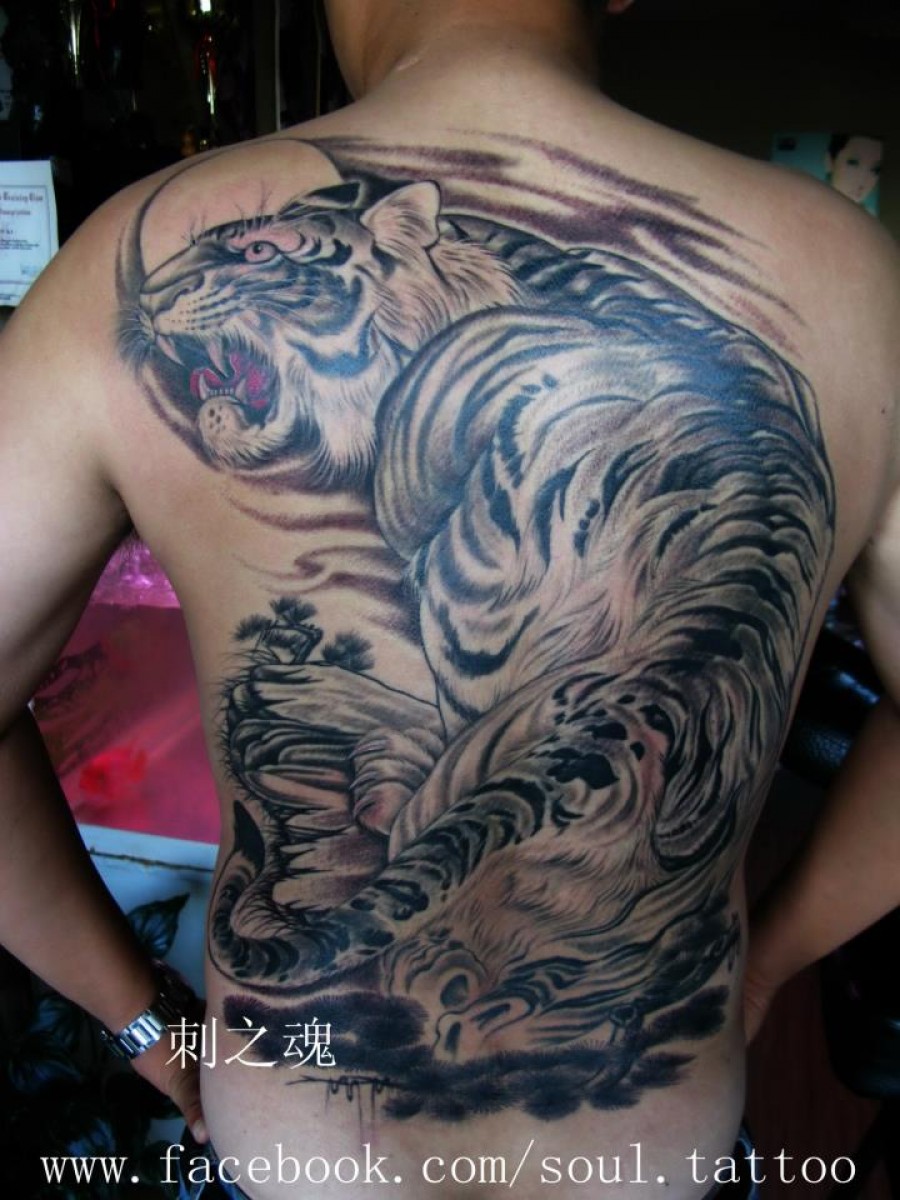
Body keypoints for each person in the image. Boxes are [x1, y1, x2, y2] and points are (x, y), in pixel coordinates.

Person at [1, 1, 899, 1196]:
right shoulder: (849, 277)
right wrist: (767, 961)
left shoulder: (124, 262)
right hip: (648, 1146)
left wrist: (151, 1029)